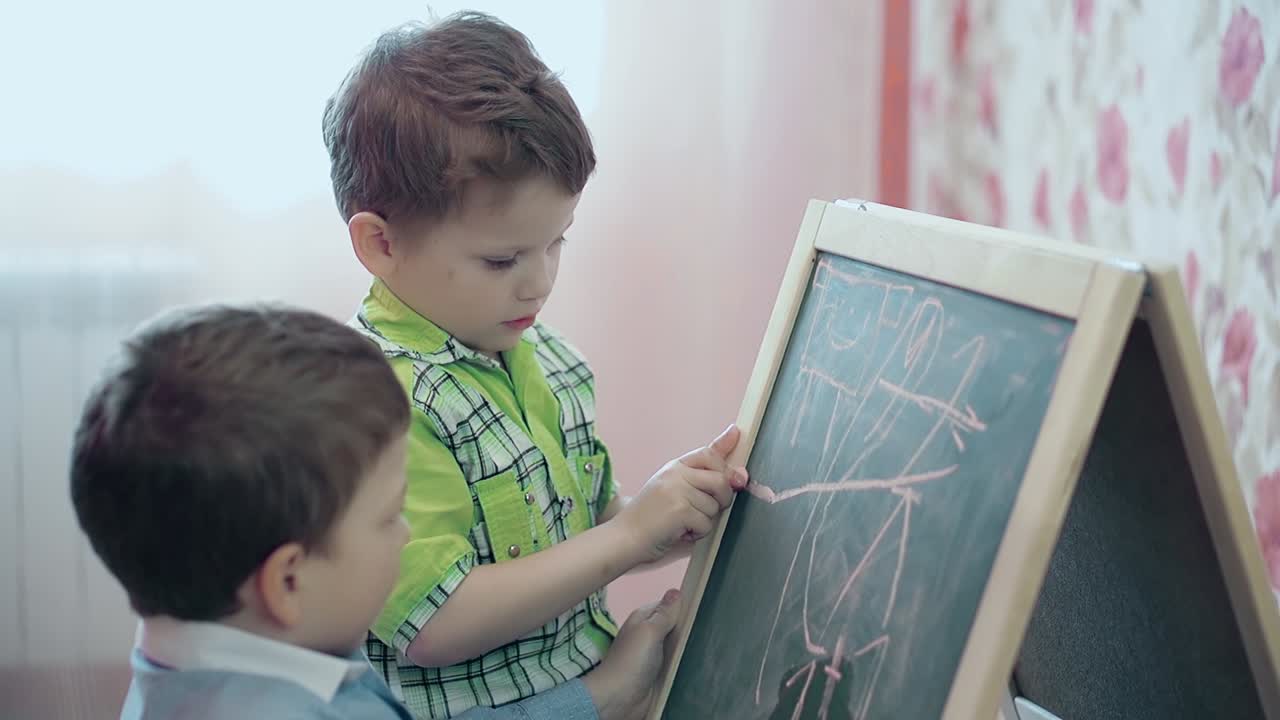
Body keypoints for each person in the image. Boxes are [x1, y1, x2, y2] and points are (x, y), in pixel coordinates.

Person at [321, 10, 749, 718]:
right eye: (502, 259)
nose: (539, 282)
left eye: (557, 243)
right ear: (380, 244)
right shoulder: (378, 403)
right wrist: (629, 536)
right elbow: (433, 622)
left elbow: (581, 537)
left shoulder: (543, 357)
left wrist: (661, 519)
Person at [69, 303, 690, 720]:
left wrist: (601, 692)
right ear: (288, 581)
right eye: (390, 515)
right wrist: (600, 698)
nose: (409, 532)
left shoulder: (196, 655)